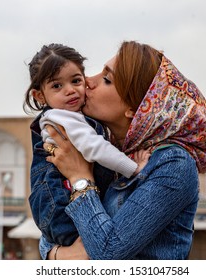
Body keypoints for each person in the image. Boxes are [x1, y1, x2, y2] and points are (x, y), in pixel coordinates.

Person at [41, 40, 206, 260]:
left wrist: (80, 178)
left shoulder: (173, 165)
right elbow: (50, 222)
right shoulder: (109, 154)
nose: (88, 81)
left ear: (135, 108)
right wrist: (55, 255)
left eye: (106, 79)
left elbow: (108, 253)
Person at [23, 43, 150, 247]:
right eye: (57, 86)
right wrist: (134, 170)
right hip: (61, 207)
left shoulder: (74, 116)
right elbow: (96, 148)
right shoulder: (62, 118)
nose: (70, 90)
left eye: (75, 81)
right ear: (39, 95)